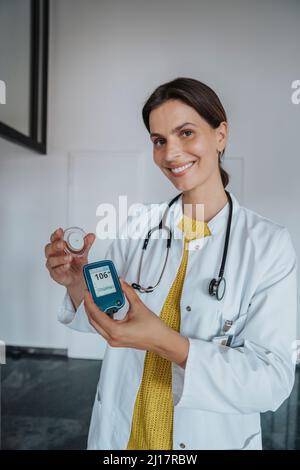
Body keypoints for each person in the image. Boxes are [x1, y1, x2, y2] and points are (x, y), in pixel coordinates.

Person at [44, 77, 298, 450]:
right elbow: (110, 313)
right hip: (125, 436)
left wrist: (167, 343)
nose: (171, 153)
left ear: (220, 135)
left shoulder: (269, 245)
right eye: (159, 140)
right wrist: (76, 283)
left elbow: (272, 381)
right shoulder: (139, 225)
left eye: (186, 133)